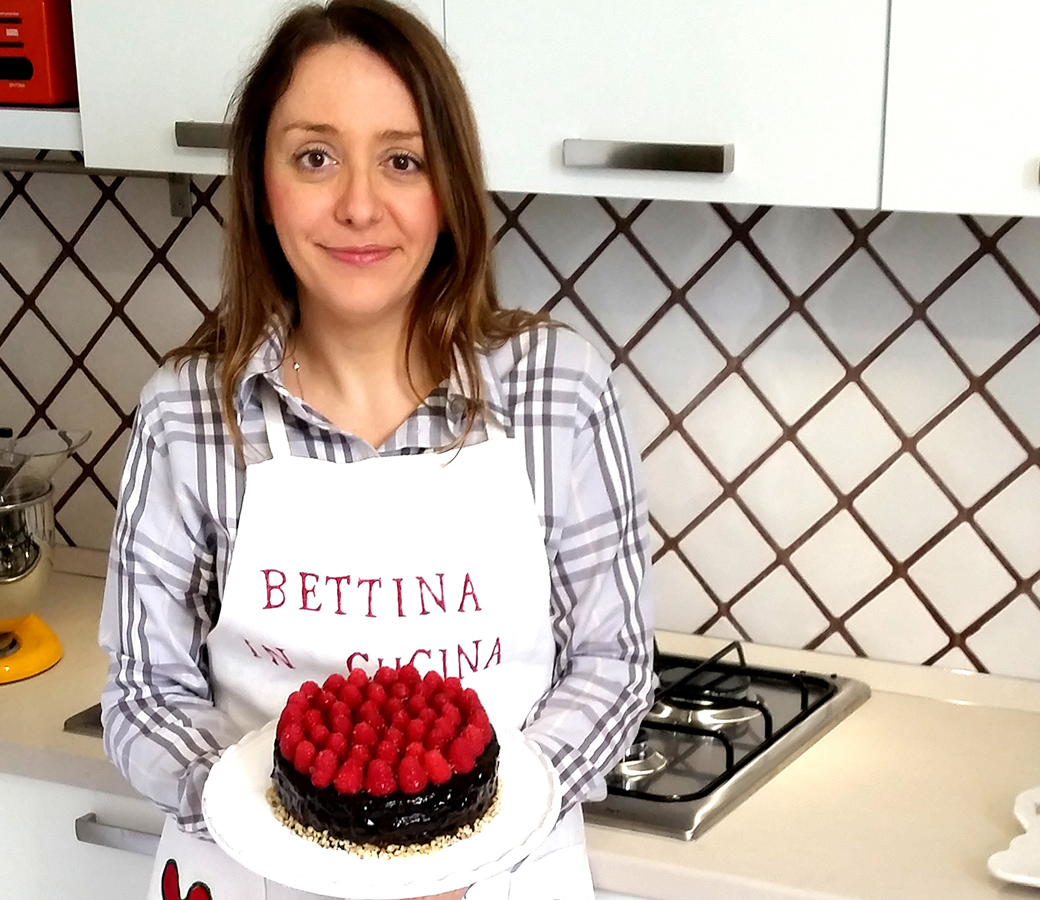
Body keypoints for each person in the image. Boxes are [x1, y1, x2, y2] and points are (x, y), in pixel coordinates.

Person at [97, 2, 654, 898]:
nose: (359, 205)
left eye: (403, 160)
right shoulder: (186, 416)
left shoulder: (559, 393)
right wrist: (281, 831)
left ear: (451, 189)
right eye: (315, 157)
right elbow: (143, 695)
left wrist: (469, 846)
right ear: (260, 187)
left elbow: (613, 669)